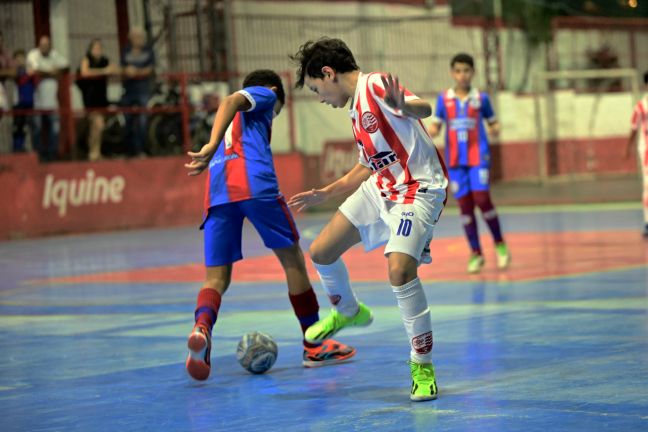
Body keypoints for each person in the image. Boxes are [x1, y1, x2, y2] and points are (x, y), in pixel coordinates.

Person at [289, 37, 448, 401]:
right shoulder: (354, 109)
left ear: (328, 74)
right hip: (383, 186)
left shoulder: (374, 85)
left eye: (316, 89)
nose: (320, 98)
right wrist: (327, 192)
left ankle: (422, 366)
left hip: (417, 189)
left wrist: (403, 105)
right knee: (322, 251)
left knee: (400, 272)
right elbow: (366, 165)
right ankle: (348, 311)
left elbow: (423, 108)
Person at [183, 69, 356, 381]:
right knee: (292, 260)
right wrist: (209, 145)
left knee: (216, 278)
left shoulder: (231, 124)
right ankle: (314, 344)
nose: (274, 113)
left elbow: (229, 108)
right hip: (254, 186)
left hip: (217, 192)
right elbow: (232, 98)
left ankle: (202, 328)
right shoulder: (265, 94)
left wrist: (214, 149)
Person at [428, 53, 510, 274]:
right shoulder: (444, 99)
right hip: (455, 162)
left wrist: (495, 128)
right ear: (452, 73)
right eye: (458, 71)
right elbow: (437, 125)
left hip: (478, 158)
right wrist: (429, 132)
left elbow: (493, 122)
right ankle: (476, 253)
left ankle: (500, 243)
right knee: (465, 206)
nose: (462, 75)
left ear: (472, 72)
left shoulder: (481, 99)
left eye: (466, 70)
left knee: (482, 199)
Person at [26, 35, 68, 161]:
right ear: (38, 45)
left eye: (46, 45)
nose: (44, 47)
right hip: (37, 102)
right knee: (37, 130)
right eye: (42, 45)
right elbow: (34, 71)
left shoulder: (54, 55)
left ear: (50, 46)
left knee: (54, 130)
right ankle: (38, 157)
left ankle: (52, 156)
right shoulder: (33, 55)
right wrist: (51, 72)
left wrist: (49, 71)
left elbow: (66, 66)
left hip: (52, 102)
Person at [78, 39, 117, 161]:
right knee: (97, 125)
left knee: (96, 127)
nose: (98, 51)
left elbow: (113, 68)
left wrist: (105, 71)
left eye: (100, 48)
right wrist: (102, 72)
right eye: (95, 48)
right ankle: (93, 153)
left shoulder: (104, 60)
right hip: (90, 98)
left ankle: (95, 152)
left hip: (102, 98)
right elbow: (84, 72)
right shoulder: (86, 59)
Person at [120, 27, 154, 157]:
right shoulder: (126, 51)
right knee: (127, 119)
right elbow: (123, 68)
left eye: (139, 37)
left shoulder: (148, 52)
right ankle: (129, 150)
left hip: (143, 90)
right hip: (128, 90)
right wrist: (127, 72)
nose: (138, 40)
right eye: (135, 37)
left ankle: (141, 149)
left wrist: (136, 72)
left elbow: (150, 69)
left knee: (142, 120)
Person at [626, 71, 648, 237]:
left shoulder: (642, 105)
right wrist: (628, 147)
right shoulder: (641, 106)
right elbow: (634, 128)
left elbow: (634, 129)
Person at [11, 49, 36, 153]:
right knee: (17, 126)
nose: (20, 61)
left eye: (22, 58)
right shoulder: (15, 72)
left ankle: (26, 147)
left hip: (29, 104)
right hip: (18, 104)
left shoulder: (29, 71)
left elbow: (35, 82)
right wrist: (27, 74)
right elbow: (19, 80)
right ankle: (17, 148)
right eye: (17, 59)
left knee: (27, 127)